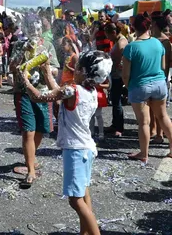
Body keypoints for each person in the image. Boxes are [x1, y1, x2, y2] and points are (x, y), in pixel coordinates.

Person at [19, 50, 112, 235]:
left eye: (76, 68)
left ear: (84, 71)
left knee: (74, 200)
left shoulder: (73, 90)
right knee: (84, 193)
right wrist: (46, 72)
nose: (72, 70)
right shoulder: (90, 91)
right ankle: (84, 232)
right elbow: (58, 92)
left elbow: (40, 96)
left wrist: (25, 80)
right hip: (86, 148)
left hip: (76, 150)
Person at [10, 13, 59, 188]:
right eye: (31, 28)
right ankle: (30, 170)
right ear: (26, 29)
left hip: (43, 92)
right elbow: (12, 67)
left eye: (37, 28)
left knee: (42, 129)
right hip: (23, 92)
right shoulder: (18, 44)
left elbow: (55, 70)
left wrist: (46, 66)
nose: (35, 31)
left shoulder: (47, 45)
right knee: (28, 131)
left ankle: (31, 157)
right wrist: (23, 56)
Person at [122, 13, 172, 162]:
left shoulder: (131, 47)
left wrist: (128, 86)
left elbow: (126, 74)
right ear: (149, 26)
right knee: (163, 117)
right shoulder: (158, 43)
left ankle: (144, 154)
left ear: (133, 27)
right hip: (159, 84)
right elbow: (163, 66)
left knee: (144, 122)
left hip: (139, 86)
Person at [150, 10, 172, 143]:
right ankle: (155, 132)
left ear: (155, 24)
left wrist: (163, 79)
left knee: (160, 110)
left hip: (160, 77)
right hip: (154, 77)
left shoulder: (165, 42)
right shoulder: (153, 39)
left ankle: (160, 134)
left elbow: (166, 64)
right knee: (153, 108)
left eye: (151, 22)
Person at [104, 23, 128, 137]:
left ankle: (119, 127)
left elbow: (118, 62)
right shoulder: (118, 41)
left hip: (118, 76)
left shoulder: (121, 43)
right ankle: (115, 124)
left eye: (108, 35)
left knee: (117, 101)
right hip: (115, 75)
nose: (107, 38)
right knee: (114, 101)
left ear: (113, 32)